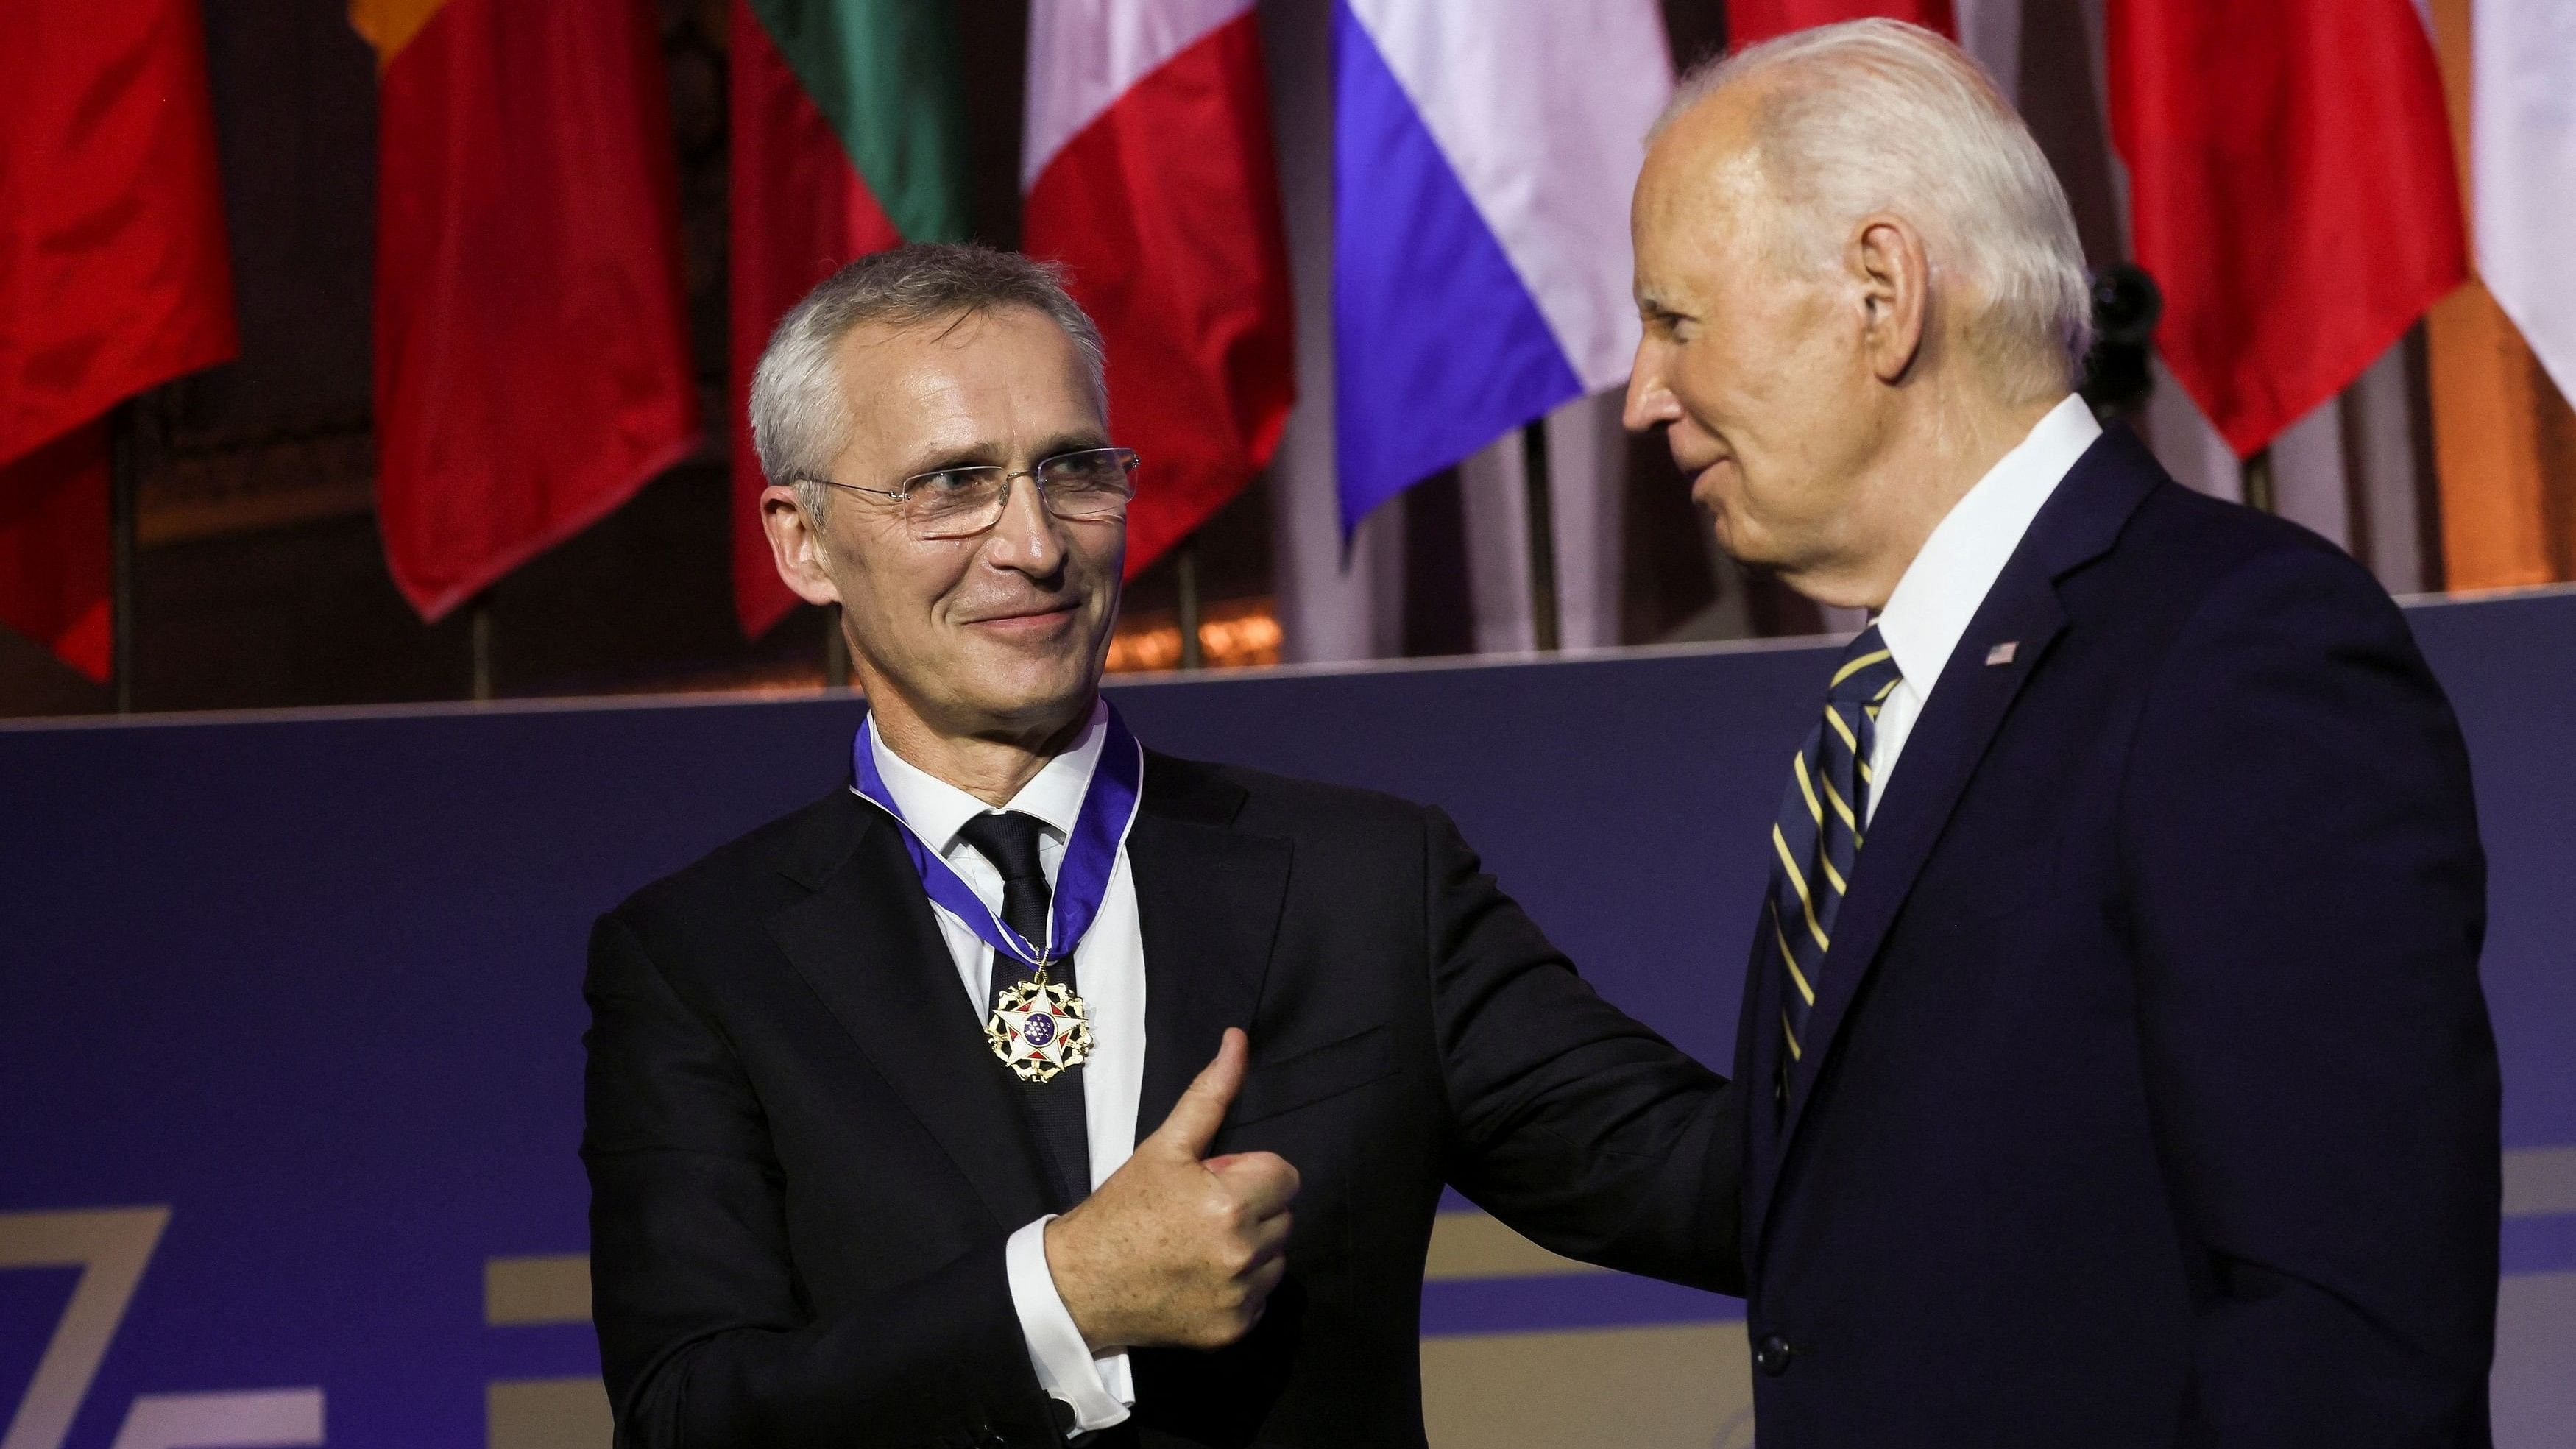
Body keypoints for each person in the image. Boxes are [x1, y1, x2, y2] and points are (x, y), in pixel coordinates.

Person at [580, 243, 1740, 1448]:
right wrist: (1061, 1295)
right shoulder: (698, 964)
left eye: (1073, 470)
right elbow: (687, 1420)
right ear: (803, 540)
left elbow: (1723, 1186)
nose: (1034, 543)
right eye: (953, 484)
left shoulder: (1366, 884)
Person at [1623, 20, 2499, 1448]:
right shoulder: (1894, 700)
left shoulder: (2238, 654)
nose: (1640, 393)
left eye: (1674, 319)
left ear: (1879, 291)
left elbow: (2346, 1328)